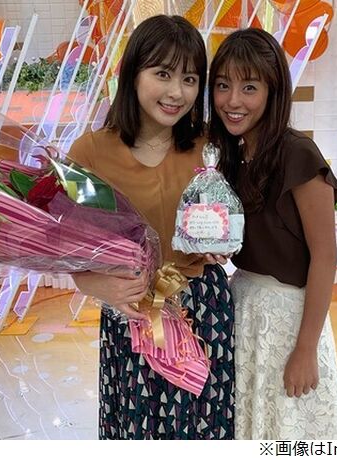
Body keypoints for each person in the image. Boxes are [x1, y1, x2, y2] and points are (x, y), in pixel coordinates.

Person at [67, 15, 234, 440]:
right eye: (163, 74)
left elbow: (232, 218)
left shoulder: (210, 146)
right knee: (138, 427)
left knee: (202, 427)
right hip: (132, 313)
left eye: (190, 79)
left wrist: (227, 240)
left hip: (203, 310)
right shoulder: (89, 152)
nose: (177, 92)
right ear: (132, 73)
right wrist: (96, 284)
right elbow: (67, 245)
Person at [209, 28, 337, 440]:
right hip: (242, 308)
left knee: (289, 429)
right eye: (223, 85)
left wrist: (306, 348)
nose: (233, 101)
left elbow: (325, 256)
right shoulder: (229, 157)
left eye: (249, 87)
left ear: (274, 91)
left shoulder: (297, 153)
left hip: (290, 320)